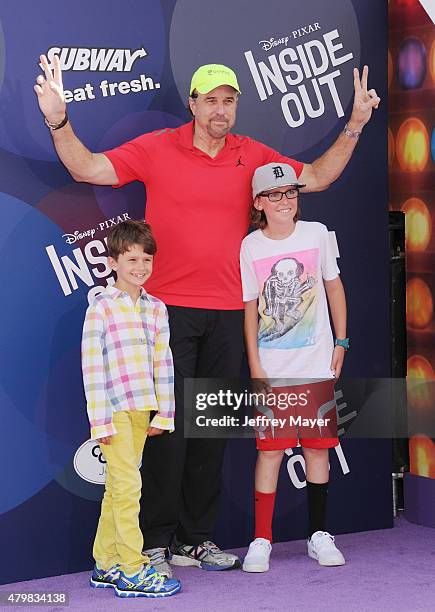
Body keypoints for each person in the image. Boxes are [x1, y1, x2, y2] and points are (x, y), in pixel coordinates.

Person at [34, 57, 379, 576]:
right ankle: (154, 543)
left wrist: (354, 122)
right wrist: (59, 121)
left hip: (228, 315)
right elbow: (88, 168)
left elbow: (318, 178)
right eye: (210, 99)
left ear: (236, 106)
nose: (220, 109)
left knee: (211, 430)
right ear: (193, 104)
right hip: (167, 312)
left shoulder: (252, 156)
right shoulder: (157, 147)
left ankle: (196, 541)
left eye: (229, 100)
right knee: (168, 430)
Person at [240, 162, 348, 573]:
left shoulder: (317, 234)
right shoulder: (250, 246)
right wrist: (255, 363)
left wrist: (342, 341)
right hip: (273, 371)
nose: (284, 201)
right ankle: (261, 539)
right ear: (259, 203)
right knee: (268, 454)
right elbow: (250, 307)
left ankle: (319, 535)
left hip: (317, 366)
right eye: (275, 194)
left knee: (318, 451)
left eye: (291, 193)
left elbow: (334, 286)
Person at [81, 220, 181, 597]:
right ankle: (132, 568)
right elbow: (92, 365)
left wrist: (165, 412)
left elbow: (163, 362)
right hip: (114, 411)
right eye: (132, 259)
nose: (140, 266)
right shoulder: (102, 307)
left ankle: (105, 562)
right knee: (128, 489)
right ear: (113, 262)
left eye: (147, 259)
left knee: (117, 489)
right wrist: (100, 419)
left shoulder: (157, 308)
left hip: (144, 410)